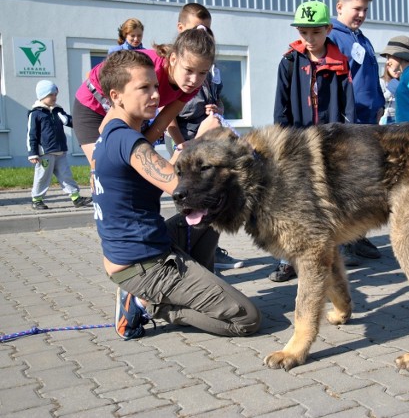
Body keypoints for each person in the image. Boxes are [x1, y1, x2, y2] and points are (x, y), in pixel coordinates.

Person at [93, 49, 261, 340]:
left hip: (146, 246)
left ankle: (198, 285)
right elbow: (180, 186)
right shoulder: (125, 139)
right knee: (246, 318)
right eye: (143, 88)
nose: (155, 95)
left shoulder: (111, 130)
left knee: (208, 215)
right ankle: (151, 304)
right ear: (116, 95)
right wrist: (202, 139)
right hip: (142, 265)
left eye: (155, 86)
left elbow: (156, 144)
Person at [268, 0, 356, 282]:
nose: (309, 39)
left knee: (329, 201)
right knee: (293, 202)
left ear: (328, 29)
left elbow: (348, 106)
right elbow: (280, 105)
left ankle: (329, 258)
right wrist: (280, 142)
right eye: (304, 32)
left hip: (330, 144)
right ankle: (287, 260)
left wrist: (349, 140)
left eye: (315, 33)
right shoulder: (289, 61)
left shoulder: (340, 63)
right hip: (297, 143)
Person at [72, 27, 214, 165]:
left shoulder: (191, 86)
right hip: (93, 103)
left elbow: (163, 121)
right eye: (188, 70)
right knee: (104, 166)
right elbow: (111, 123)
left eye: (203, 73)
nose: (194, 79)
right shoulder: (149, 69)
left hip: (131, 109)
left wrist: (182, 149)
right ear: (173, 59)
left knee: (135, 165)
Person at [170, 3, 242, 272]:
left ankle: (209, 257)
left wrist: (219, 110)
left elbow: (216, 99)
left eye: (207, 30)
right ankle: (186, 260)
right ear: (181, 30)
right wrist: (182, 144)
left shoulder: (208, 67)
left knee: (212, 199)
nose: (203, 35)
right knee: (189, 200)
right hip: (187, 139)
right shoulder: (178, 69)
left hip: (208, 138)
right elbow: (168, 119)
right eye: (197, 29)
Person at [328, 0, 384, 261]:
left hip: (368, 123)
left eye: (365, 9)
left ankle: (358, 237)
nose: (361, 14)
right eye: (356, 8)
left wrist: (380, 104)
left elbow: (370, 79)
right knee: (344, 183)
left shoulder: (362, 39)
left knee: (364, 182)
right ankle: (341, 242)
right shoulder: (333, 37)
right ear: (340, 7)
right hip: (348, 123)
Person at [27, 80, 92, 210]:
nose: (54, 97)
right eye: (51, 95)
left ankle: (76, 198)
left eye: (55, 94)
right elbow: (31, 135)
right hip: (45, 153)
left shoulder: (57, 110)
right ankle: (37, 199)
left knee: (66, 175)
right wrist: (32, 153)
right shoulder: (35, 113)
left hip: (60, 150)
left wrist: (75, 121)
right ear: (42, 95)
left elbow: (69, 121)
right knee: (42, 177)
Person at [380, 36, 409, 123]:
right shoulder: (408, 73)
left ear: (400, 55)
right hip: (407, 130)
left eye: (389, 57)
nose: (387, 62)